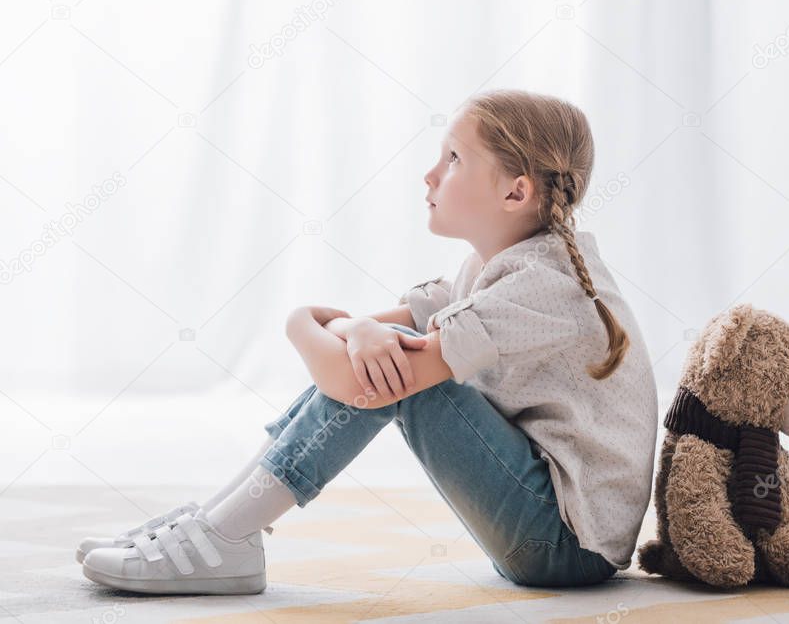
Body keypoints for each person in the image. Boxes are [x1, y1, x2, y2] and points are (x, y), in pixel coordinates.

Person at [78, 89, 659, 594]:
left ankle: (226, 535)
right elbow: (361, 337)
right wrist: (352, 328)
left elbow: (356, 377)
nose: (430, 175)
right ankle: (219, 524)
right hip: (547, 531)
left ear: (516, 193)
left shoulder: (541, 287)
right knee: (389, 355)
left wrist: (309, 324)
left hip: (564, 549)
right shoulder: (491, 269)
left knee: (393, 373)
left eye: (453, 159)